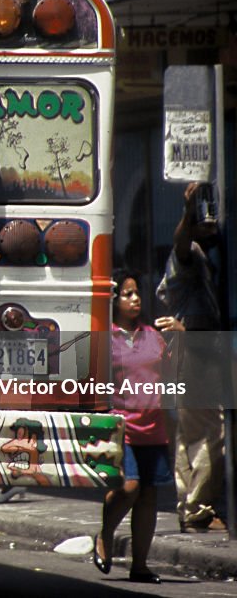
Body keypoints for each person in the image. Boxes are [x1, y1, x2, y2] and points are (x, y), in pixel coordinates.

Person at [94, 268, 182, 584]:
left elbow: (175, 373)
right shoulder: (106, 337)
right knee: (129, 487)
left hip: (154, 426)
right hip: (122, 427)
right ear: (114, 300)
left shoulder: (153, 335)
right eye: (127, 294)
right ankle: (105, 534)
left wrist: (182, 337)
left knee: (148, 497)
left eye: (136, 293)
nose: (134, 299)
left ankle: (140, 566)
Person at [156, 182, 227, 533]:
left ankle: (191, 507)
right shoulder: (191, 256)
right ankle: (199, 508)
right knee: (211, 434)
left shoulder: (212, 262)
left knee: (189, 436)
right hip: (192, 354)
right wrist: (187, 212)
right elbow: (181, 243)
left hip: (195, 352)